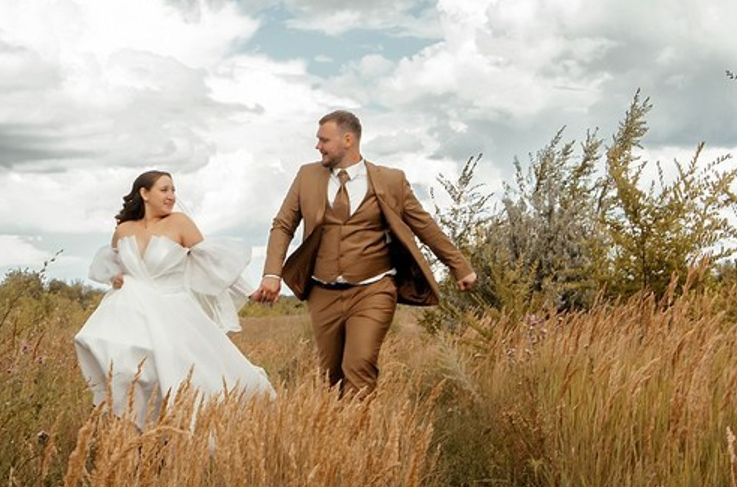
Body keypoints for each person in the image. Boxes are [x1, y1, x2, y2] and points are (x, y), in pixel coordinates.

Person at [250, 110, 477, 396]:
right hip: (323, 291)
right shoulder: (307, 176)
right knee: (331, 378)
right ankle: (338, 435)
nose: (317, 146)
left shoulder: (390, 181)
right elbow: (283, 225)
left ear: (348, 140)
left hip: (374, 289)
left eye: (323, 140)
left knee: (360, 365)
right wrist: (272, 273)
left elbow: (423, 224)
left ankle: (359, 434)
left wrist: (459, 266)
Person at [74, 170, 274, 428]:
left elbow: (213, 263)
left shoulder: (180, 223)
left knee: (184, 374)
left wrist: (250, 292)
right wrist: (117, 277)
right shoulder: (123, 230)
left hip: (173, 311)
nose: (171, 196)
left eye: (173, 190)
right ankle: (135, 428)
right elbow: (109, 265)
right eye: (164, 190)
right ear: (144, 194)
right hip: (131, 309)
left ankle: (177, 431)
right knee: (124, 364)